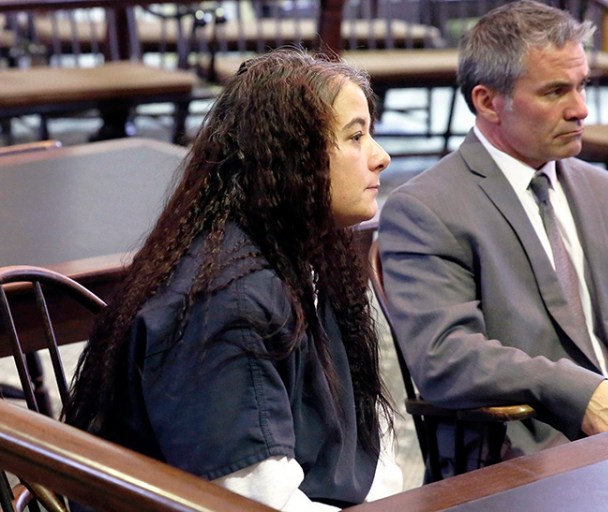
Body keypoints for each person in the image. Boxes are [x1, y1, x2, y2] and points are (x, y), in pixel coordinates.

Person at [377, 0, 608, 474]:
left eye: (582, 85)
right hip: (516, 460)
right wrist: (576, 390)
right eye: (555, 91)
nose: (581, 110)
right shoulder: (427, 208)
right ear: (487, 101)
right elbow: (445, 355)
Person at [64, 49, 400, 510]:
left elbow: (366, 437)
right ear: (290, 155)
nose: (381, 157)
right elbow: (250, 499)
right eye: (355, 137)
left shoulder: (317, 254)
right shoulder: (225, 301)